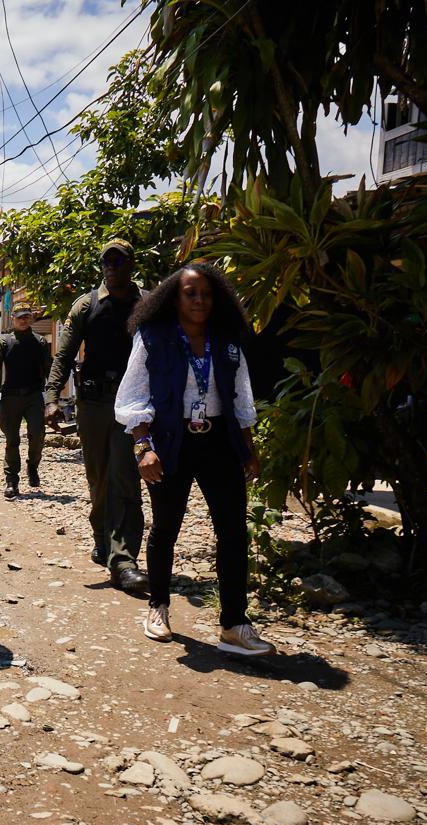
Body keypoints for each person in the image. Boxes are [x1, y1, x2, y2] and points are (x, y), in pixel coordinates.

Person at [114, 263, 273, 656]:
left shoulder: (227, 340)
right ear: (175, 297)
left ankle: (235, 623)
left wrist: (248, 448)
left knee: (234, 532)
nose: (199, 300)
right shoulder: (153, 337)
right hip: (170, 442)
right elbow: (132, 397)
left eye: (206, 293)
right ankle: (158, 608)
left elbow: (240, 396)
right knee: (166, 528)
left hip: (219, 441)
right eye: (190, 293)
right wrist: (143, 447)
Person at [44, 238, 148, 593]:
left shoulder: (147, 304)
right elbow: (63, 354)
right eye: (107, 261)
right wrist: (52, 397)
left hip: (132, 406)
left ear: (131, 265)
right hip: (93, 404)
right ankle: (102, 534)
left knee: (125, 477)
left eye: (119, 262)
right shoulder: (87, 306)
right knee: (99, 478)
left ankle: (123, 559)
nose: (113, 267)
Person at [0, 303, 51, 498]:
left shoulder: (40, 342)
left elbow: (48, 368)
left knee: (37, 434)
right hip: (11, 396)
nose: (23, 320)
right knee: (11, 439)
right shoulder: (5, 342)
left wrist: (53, 396)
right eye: (20, 316)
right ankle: (11, 480)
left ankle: (33, 466)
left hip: (34, 395)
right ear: (13, 318)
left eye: (27, 316)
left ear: (31, 318)